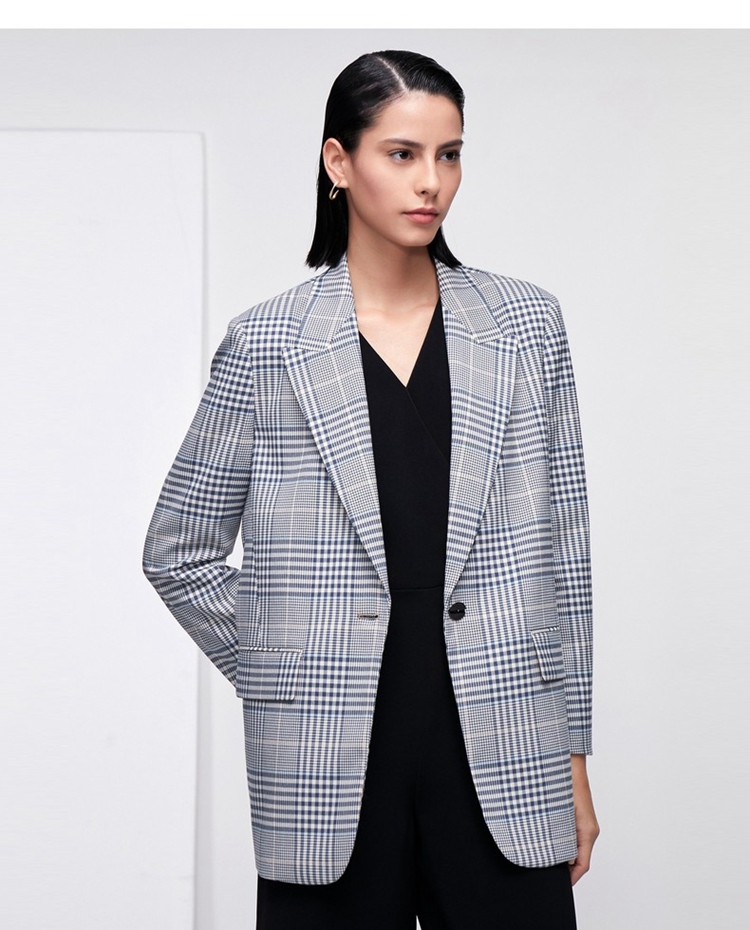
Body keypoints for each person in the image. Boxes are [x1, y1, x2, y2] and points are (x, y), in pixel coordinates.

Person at [143, 49, 599, 929]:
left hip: (505, 743)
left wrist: (572, 757)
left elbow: (564, 555)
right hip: (327, 756)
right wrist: (285, 665)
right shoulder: (269, 343)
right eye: (402, 154)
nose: (431, 182)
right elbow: (178, 552)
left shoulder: (526, 325)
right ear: (339, 162)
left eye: (449, 154)